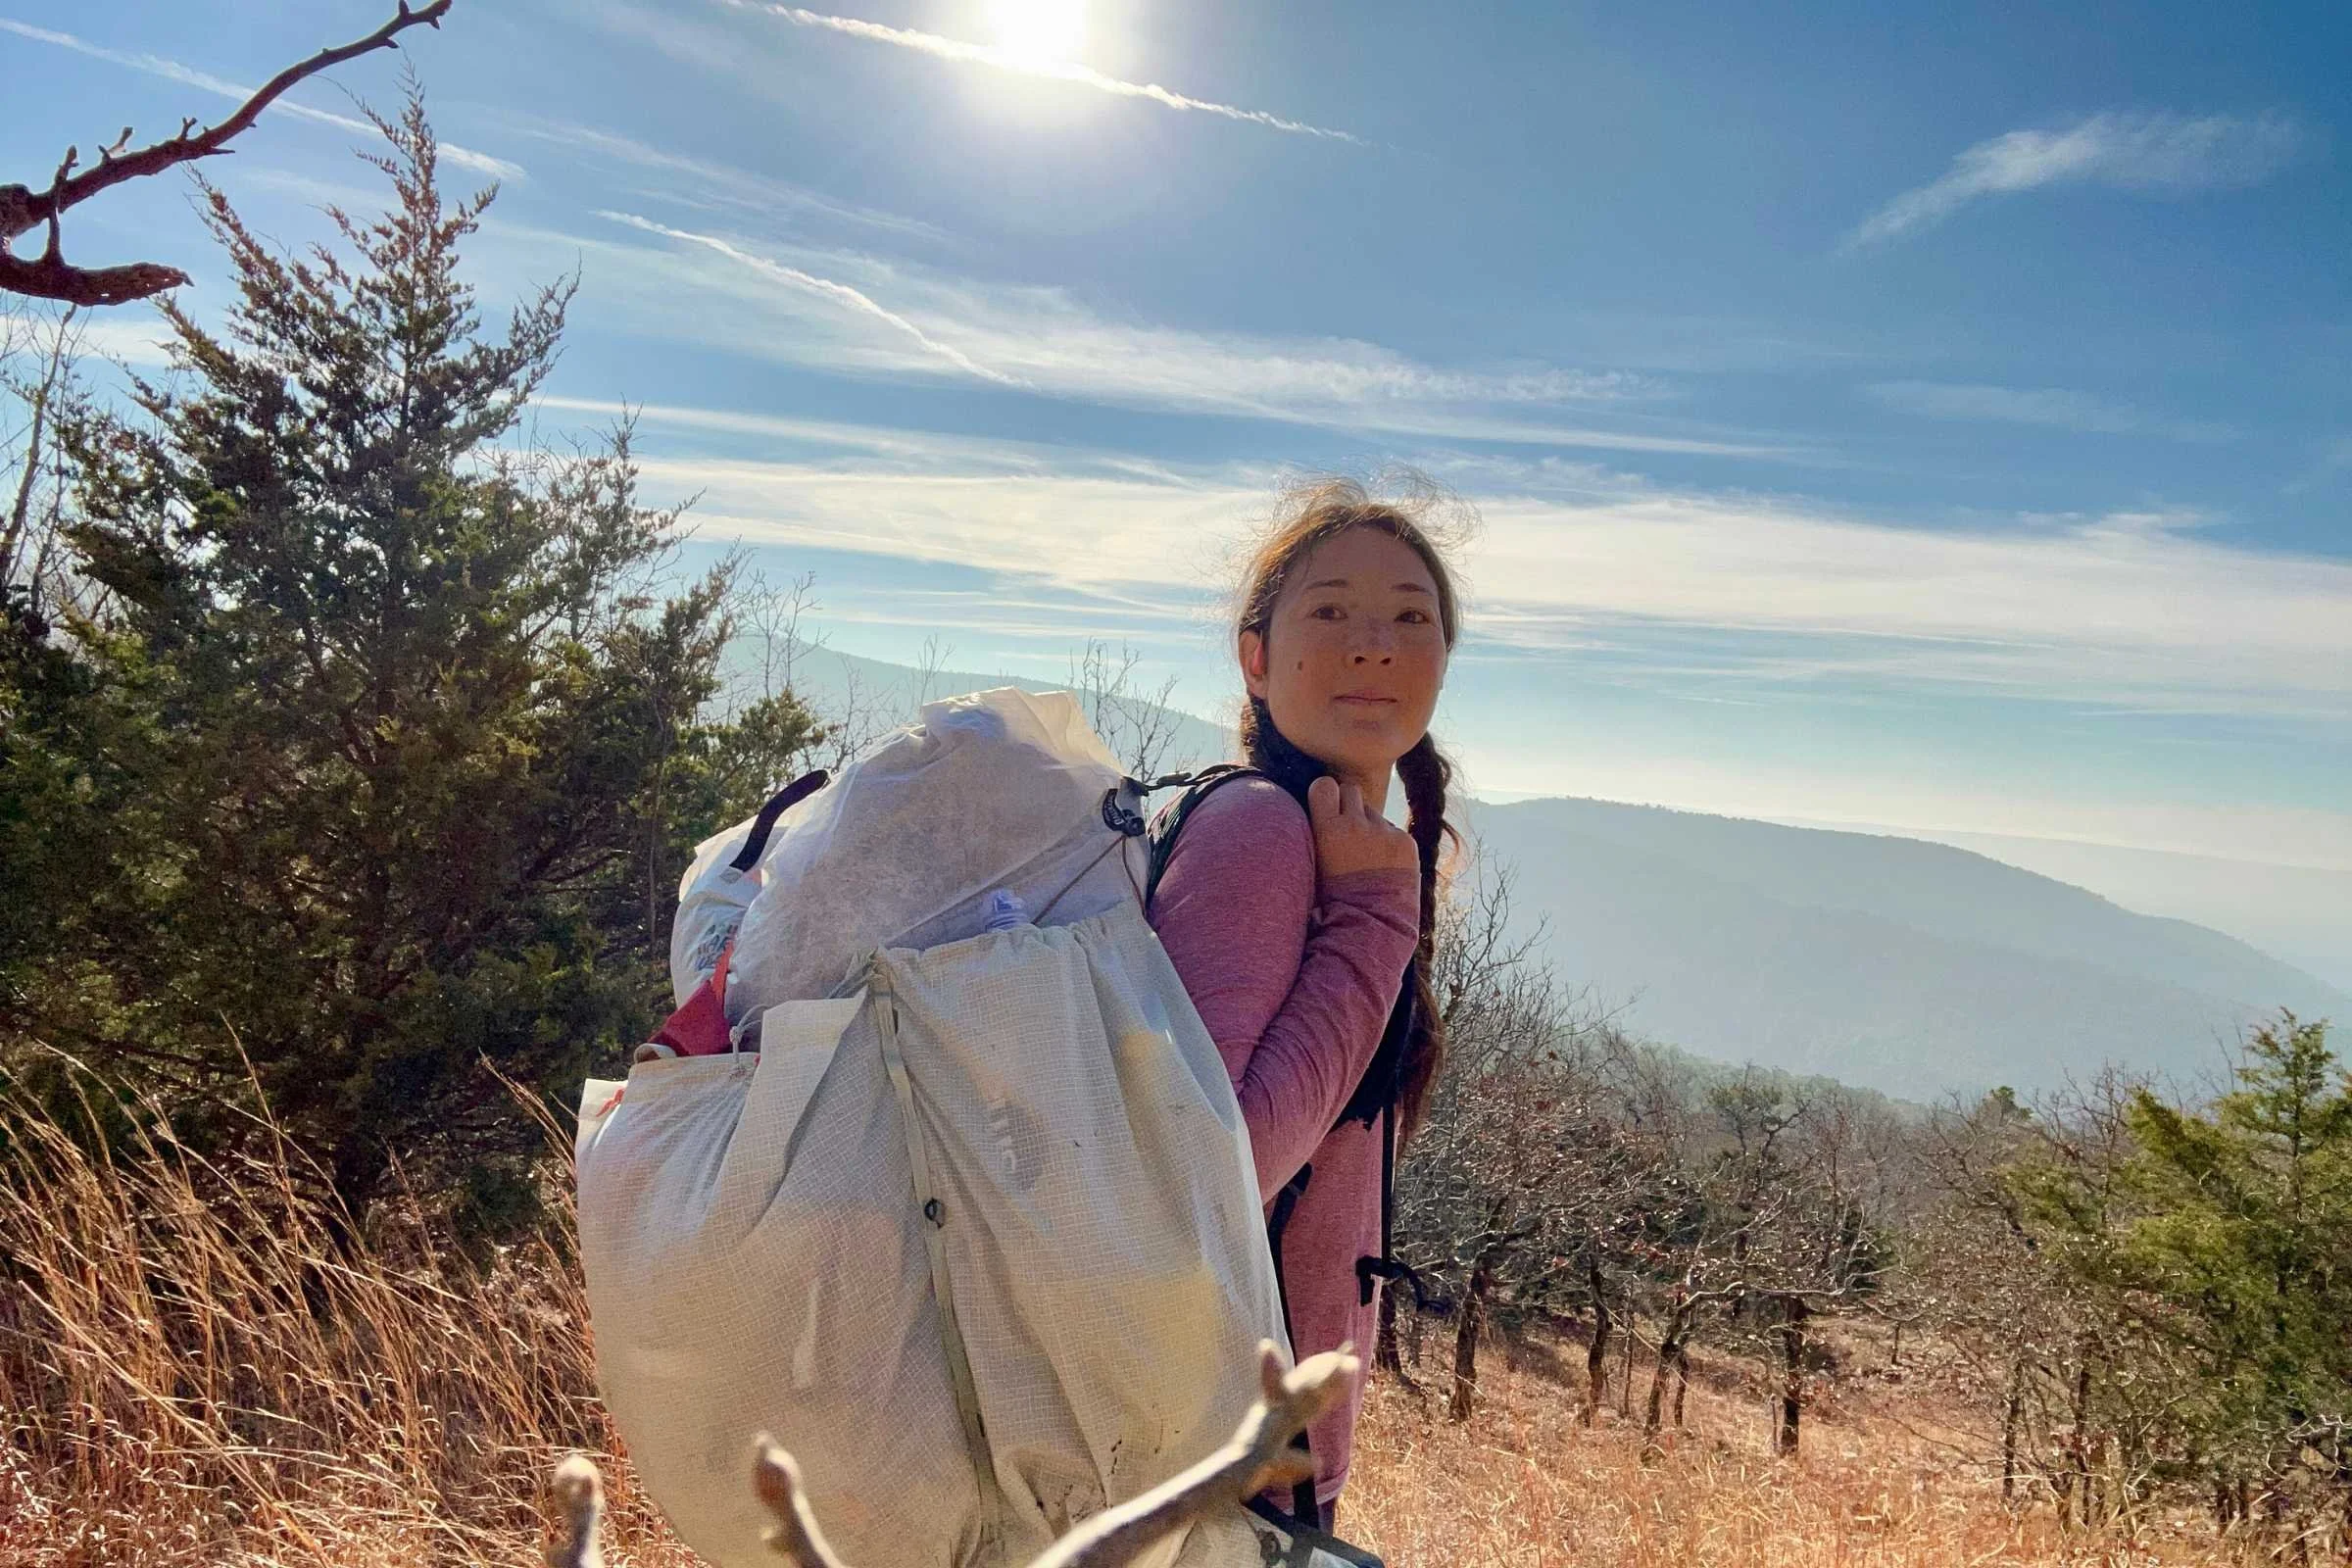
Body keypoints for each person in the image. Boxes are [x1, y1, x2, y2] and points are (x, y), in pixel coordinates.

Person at [1147, 477, 1460, 1531]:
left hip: (1256, 1458)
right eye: (1330, 609)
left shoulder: (1345, 841)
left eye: (1410, 617)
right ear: (1255, 654)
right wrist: (1379, 919)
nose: (1374, 644)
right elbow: (1214, 1165)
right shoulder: (1259, 835)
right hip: (1208, 1464)